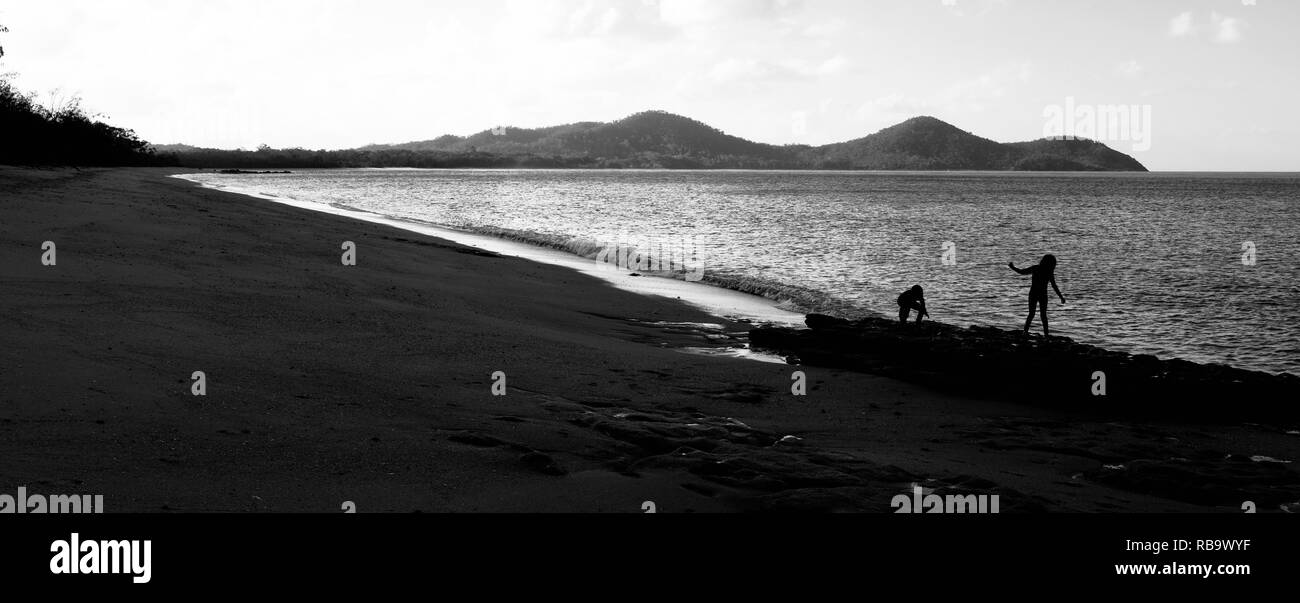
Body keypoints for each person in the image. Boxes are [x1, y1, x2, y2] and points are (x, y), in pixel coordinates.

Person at [1008, 254, 1066, 336]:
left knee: (1032, 314)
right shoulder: (1049, 272)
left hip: (1034, 293)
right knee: (1043, 315)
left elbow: (1022, 272)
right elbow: (1054, 286)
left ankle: (1025, 331)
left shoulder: (1036, 268)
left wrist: (1013, 267)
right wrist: (1061, 297)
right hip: (1042, 294)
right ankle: (1046, 335)